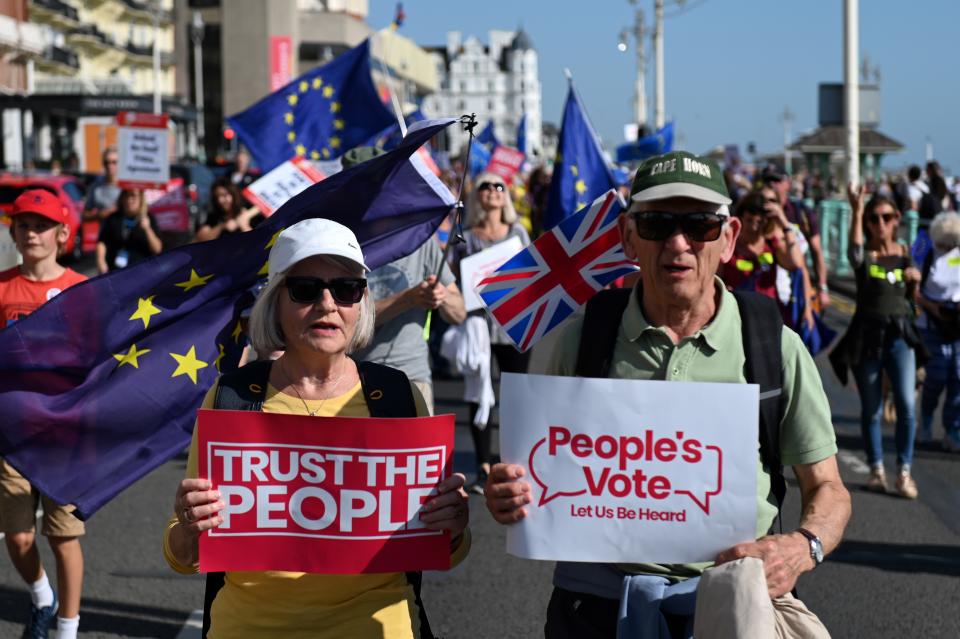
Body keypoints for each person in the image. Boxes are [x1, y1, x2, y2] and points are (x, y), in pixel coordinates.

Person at [484, 151, 851, 637]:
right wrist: (507, 496)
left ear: (729, 239)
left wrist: (804, 547)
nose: (678, 243)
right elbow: (528, 477)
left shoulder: (773, 346)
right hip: (598, 604)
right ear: (628, 238)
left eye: (700, 224)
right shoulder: (579, 338)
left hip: (733, 604)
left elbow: (828, 487)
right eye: (656, 224)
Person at [162, 218, 470, 638]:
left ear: (361, 302)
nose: (328, 304)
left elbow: (445, 547)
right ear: (275, 302)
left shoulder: (398, 397)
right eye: (306, 290)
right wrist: (189, 524)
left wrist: (454, 525)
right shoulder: (231, 396)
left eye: (346, 289)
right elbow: (183, 555)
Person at [0, 189, 87, 639]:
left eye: (41, 225)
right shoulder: (2, 288)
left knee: (63, 536)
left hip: (63, 436)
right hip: (12, 436)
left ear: (63, 233)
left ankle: (66, 630)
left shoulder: (80, 289)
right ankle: (41, 598)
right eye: (23, 225)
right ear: (12, 233)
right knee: (17, 537)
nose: (31, 233)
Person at [345, 147, 467, 414]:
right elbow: (350, 327)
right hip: (349, 381)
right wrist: (409, 298)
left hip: (411, 377)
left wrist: (440, 296)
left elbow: (459, 314)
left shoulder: (419, 240)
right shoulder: (340, 244)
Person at [830, 185, 923, 498]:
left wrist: (915, 283)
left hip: (899, 337)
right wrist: (856, 211)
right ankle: (876, 469)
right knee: (871, 409)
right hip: (867, 338)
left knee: (907, 406)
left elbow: (914, 301)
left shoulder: (907, 255)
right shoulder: (865, 255)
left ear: (897, 219)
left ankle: (904, 472)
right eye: (874, 219)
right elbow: (853, 252)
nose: (880, 224)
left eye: (885, 217)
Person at [449, 171, 531, 494]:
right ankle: (483, 465)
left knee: (515, 395)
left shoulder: (518, 233)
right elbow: (457, 276)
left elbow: (530, 272)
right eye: (486, 186)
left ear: (506, 196)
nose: (493, 191)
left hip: (515, 324)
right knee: (479, 392)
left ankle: (514, 461)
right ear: (477, 195)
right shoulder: (466, 237)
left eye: (500, 186)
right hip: (479, 324)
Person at [915, 211, 960, 452]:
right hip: (931, 320)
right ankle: (927, 416)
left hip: (957, 320)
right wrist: (934, 308)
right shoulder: (926, 248)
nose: (949, 247)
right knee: (937, 375)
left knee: (958, 377)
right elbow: (912, 287)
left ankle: (952, 429)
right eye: (946, 242)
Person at [761, 164, 831, 312]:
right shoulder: (756, 212)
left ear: (788, 184)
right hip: (765, 286)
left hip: (797, 285)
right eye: (767, 181)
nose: (772, 185)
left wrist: (822, 288)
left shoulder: (801, 212)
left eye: (777, 180)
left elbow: (817, 251)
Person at [719, 190, 805, 307]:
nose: (754, 227)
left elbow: (795, 263)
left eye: (759, 222)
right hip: (737, 311)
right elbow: (715, 278)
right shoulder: (728, 245)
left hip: (768, 313)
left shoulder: (771, 244)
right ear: (740, 218)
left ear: (766, 222)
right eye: (749, 220)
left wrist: (784, 224)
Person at [95, 189, 162, 274]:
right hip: (116, 272)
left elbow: (157, 249)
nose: (129, 200)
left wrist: (147, 229)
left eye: (133, 196)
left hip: (142, 272)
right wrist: (101, 261)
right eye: (126, 196)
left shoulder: (149, 218)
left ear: (141, 199)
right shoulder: (113, 218)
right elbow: (102, 242)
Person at [194, 177, 263, 242]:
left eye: (224, 195)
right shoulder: (215, 216)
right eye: (217, 197)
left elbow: (256, 243)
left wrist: (244, 225)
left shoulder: (248, 213)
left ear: (233, 194)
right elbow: (201, 238)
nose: (220, 200)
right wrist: (222, 226)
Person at [82, 147, 122, 222]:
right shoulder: (95, 187)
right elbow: (84, 215)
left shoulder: (126, 186)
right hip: (105, 232)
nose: (110, 166)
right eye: (106, 162)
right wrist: (99, 215)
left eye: (114, 162)